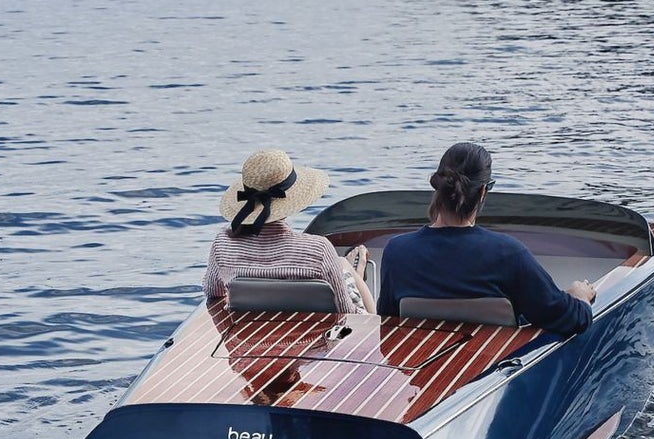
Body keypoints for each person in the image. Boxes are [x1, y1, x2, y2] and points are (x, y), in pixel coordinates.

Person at [377, 142, 594, 335]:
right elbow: (570, 319)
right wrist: (580, 297)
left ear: (438, 187)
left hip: (423, 373)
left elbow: (388, 324)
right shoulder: (508, 253)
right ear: (482, 192)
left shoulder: (397, 252)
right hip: (494, 370)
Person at [204, 149, 374, 313]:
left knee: (340, 265)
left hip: (248, 337)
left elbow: (213, 294)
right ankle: (355, 273)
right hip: (317, 337)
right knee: (342, 265)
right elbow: (346, 311)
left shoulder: (222, 245)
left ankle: (351, 272)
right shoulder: (319, 249)